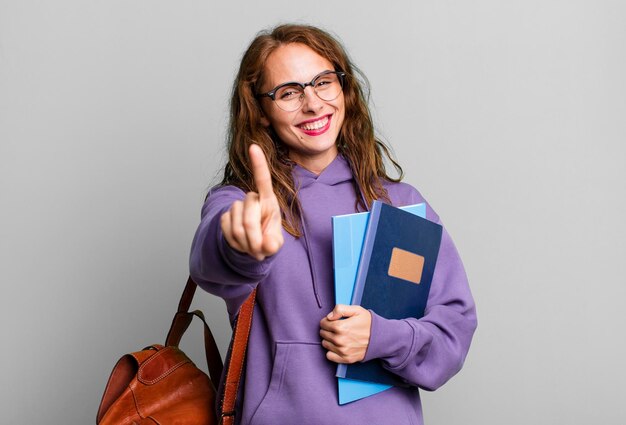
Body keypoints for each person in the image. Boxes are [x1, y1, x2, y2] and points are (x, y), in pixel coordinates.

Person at [190, 23, 477, 425]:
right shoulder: (243, 202)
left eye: (323, 82)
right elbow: (210, 260)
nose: (312, 104)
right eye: (288, 92)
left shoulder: (402, 203)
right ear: (263, 111)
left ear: (343, 89)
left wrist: (381, 337)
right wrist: (240, 247)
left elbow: (452, 333)